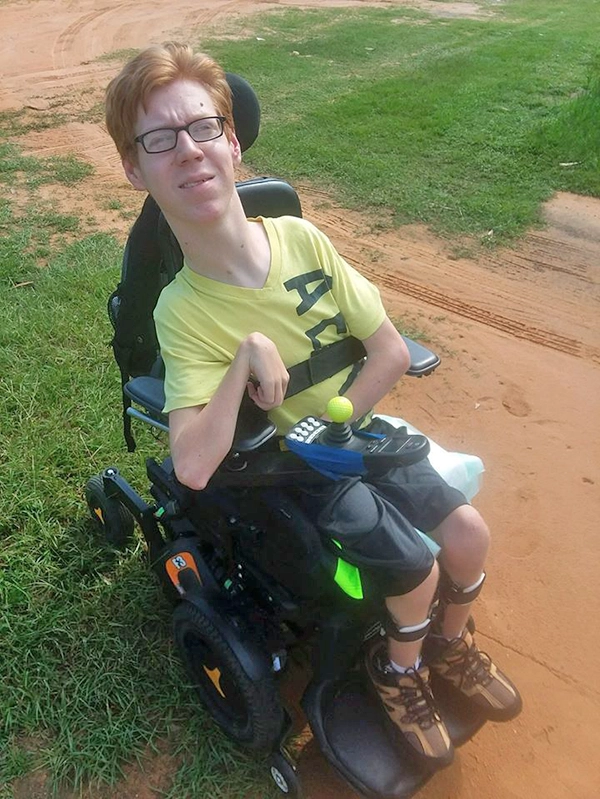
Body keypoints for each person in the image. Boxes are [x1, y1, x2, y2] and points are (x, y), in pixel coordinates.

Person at [104, 42, 521, 770]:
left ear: (232, 143)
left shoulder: (301, 239)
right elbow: (193, 465)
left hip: (344, 438)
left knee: (468, 534)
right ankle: (398, 673)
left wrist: (335, 421)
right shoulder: (182, 311)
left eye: (203, 128)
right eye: (160, 139)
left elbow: (389, 349)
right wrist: (243, 361)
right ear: (135, 170)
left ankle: (449, 644)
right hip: (278, 471)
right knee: (414, 568)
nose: (190, 151)